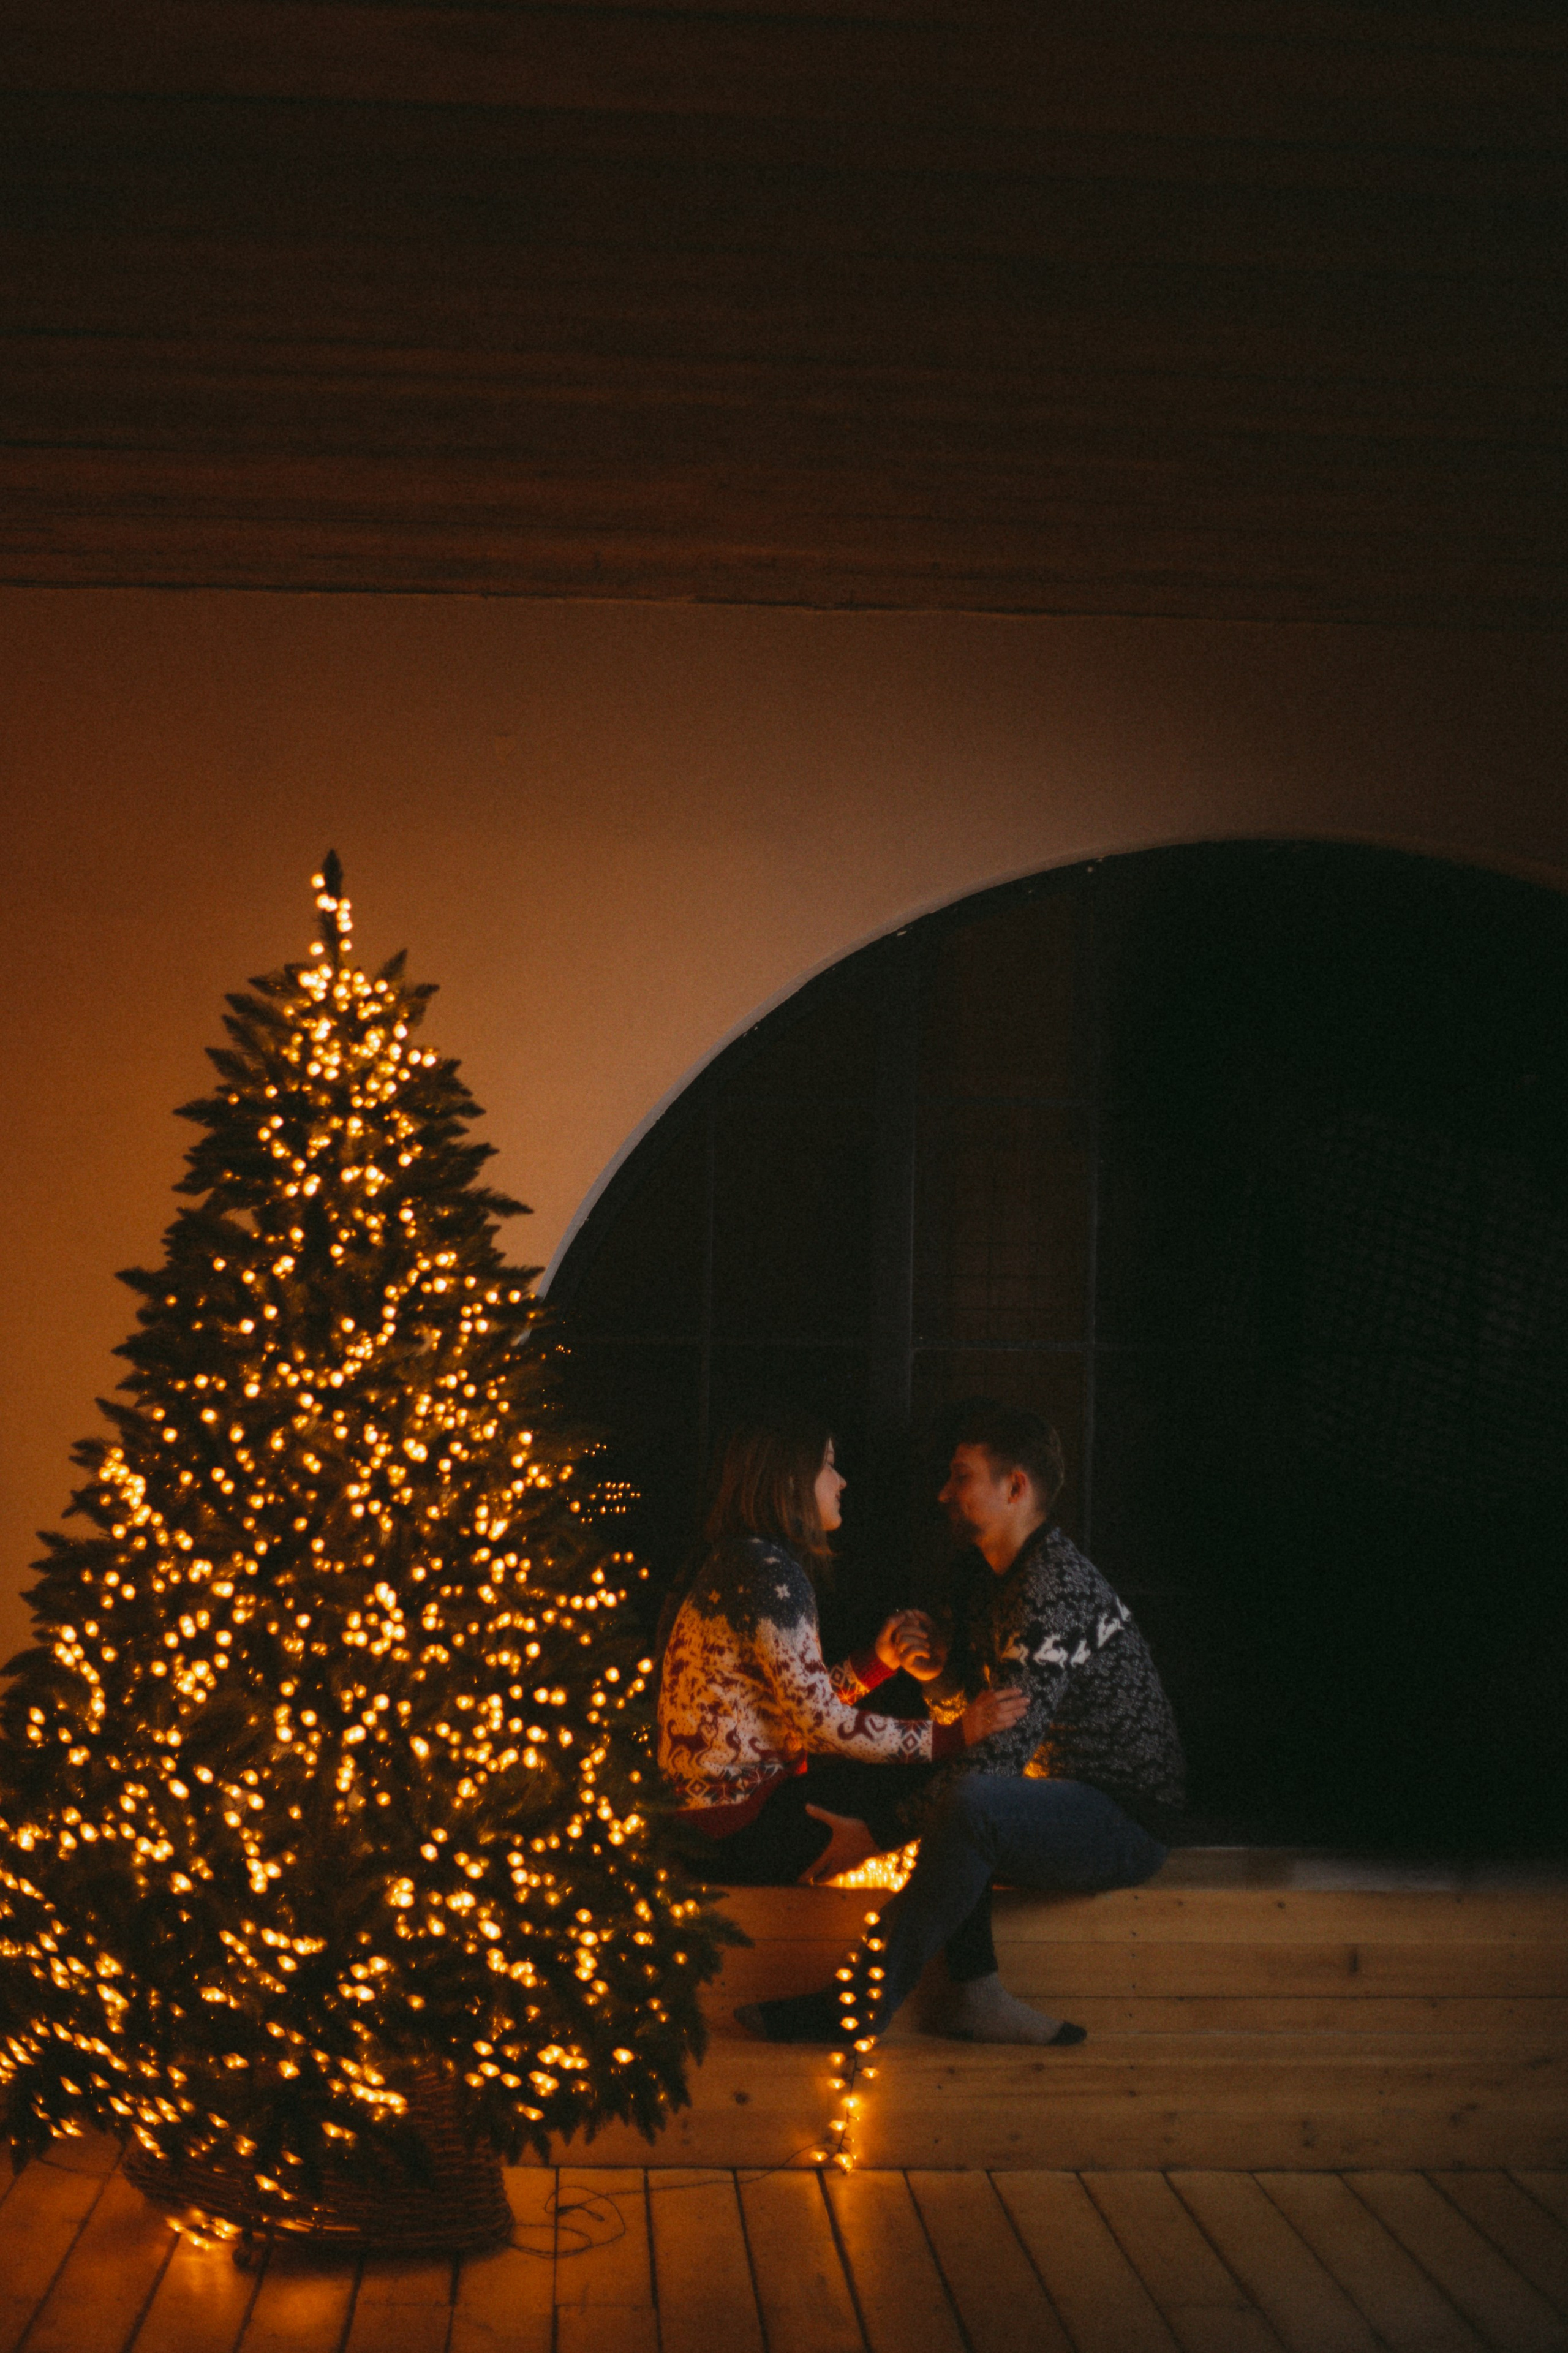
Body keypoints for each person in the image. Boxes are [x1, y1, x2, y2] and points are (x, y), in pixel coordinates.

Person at [737, 1400, 1186, 2044]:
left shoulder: (1049, 1589)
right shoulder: (985, 1582)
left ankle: (856, 2005)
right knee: (962, 1794)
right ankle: (975, 1994)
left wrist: (878, 1834)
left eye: (961, 1475)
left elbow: (996, 1760)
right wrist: (935, 1678)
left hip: (1121, 1818)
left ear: (1015, 1487)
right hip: (1038, 1797)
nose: (943, 1492)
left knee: (971, 1798)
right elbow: (974, 1731)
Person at [656, 1409, 1023, 1886]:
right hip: (740, 1832)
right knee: (947, 1782)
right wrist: (954, 1736)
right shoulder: (770, 1574)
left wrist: (878, 1662)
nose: (841, 1481)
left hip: (708, 1828)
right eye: (828, 1465)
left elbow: (795, 1707)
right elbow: (821, 1725)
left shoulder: (736, 1559)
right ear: (790, 1479)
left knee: (914, 1781)